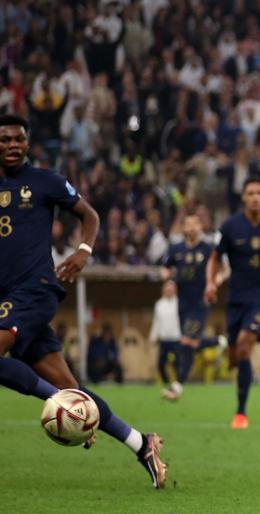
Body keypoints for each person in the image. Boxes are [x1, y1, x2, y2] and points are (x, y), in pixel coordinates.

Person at [0, 114, 166, 488]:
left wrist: (83, 250)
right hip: (6, 299)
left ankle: (60, 403)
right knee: (72, 389)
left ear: (27, 144)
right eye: (5, 140)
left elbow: (88, 214)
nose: (12, 146)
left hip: (35, 289)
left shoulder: (45, 181)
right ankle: (142, 443)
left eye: (18, 140)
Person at [204, 178, 260, 429]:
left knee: (244, 344)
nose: (255, 197)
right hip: (237, 297)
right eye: (250, 193)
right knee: (235, 353)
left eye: (259, 192)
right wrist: (210, 283)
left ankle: (241, 412)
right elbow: (215, 257)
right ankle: (238, 366)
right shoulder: (230, 227)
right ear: (243, 197)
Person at [160, 213, 212, 400]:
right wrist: (168, 279)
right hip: (182, 303)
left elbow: (221, 269)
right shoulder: (176, 249)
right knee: (191, 343)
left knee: (186, 342)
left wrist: (214, 283)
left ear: (200, 227)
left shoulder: (207, 249)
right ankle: (218, 342)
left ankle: (177, 386)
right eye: (187, 224)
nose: (190, 228)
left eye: (194, 224)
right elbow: (165, 268)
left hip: (200, 302)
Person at [149, 280, 181, 397]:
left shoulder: (179, 303)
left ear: (175, 290)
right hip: (164, 340)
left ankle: (177, 386)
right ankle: (167, 384)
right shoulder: (159, 304)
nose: (169, 290)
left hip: (176, 339)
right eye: (167, 288)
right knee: (161, 364)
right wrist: (153, 336)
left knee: (178, 364)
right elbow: (156, 322)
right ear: (164, 290)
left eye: (171, 288)